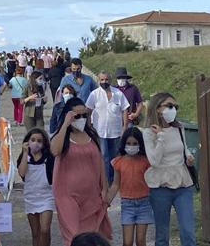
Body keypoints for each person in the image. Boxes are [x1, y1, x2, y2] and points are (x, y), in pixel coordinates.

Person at [50, 98, 112, 246]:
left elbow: (100, 162)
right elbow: (54, 150)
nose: (82, 119)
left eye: (85, 115)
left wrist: (104, 188)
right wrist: (65, 124)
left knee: (91, 236)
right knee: (74, 236)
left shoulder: (92, 135)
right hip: (67, 196)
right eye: (77, 116)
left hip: (91, 195)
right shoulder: (63, 136)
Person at [142, 92, 196, 246]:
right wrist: (160, 136)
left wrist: (189, 156)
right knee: (162, 234)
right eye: (170, 106)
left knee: (188, 231)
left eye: (175, 107)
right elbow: (154, 161)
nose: (173, 109)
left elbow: (184, 149)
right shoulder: (148, 133)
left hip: (182, 184)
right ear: (158, 108)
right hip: (160, 187)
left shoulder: (179, 128)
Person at [105, 127, 153, 246]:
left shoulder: (146, 161)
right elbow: (115, 184)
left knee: (141, 241)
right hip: (127, 205)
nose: (131, 146)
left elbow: (152, 181)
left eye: (135, 143)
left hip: (144, 204)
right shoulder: (118, 162)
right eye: (129, 143)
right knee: (127, 242)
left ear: (140, 144)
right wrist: (106, 201)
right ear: (124, 144)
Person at [86, 71, 130, 185]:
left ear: (110, 81)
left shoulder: (118, 94)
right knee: (104, 157)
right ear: (98, 80)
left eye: (106, 80)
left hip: (115, 132)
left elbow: (125, 109)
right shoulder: (94, 94)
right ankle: (106, 181)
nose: (104, 82)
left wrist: (125, 126)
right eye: (102, 80)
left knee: (115, 157)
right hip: (100, 132)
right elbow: (88, 110)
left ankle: (116, 180)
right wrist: (89, 126)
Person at [17, 128, 55, 246]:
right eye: (33, 140)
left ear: (43, 144)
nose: (36, 143)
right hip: (31, 197)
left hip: (46, 197)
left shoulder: (49, 158)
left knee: (44, 229)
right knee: (35, 233)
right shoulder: (24, 158)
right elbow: (22, 173)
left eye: (39, 140)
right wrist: (24, 153)